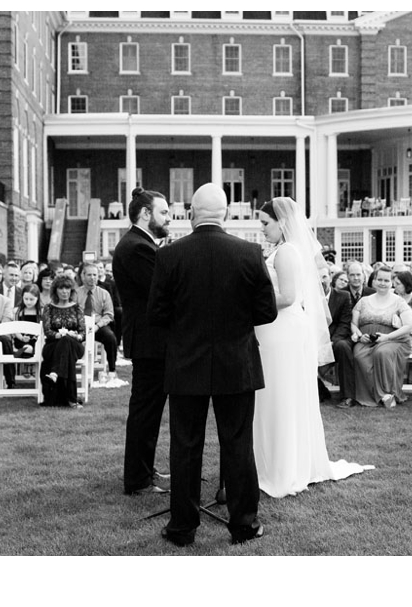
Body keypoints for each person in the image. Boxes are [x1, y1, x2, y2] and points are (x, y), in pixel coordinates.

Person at [147, 182, 277, 546]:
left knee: (185, 447)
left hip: (186, 363)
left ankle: (182, 528)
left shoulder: (170, 255)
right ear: (227, 214)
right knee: (238, 444)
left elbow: (156, 314)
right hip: (236, 364)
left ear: (191, 212)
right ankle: (244, 525)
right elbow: (266, 311)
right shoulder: (249, 252)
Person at [254, 197, 372, 498]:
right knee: (277, 397)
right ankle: (276, 462)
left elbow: (289, 297)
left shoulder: (287, 253)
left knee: (281, 397)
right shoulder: (284, 250)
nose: (262, 229)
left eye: (265, 223)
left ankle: (283, 468)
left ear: (282, 222)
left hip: (281, 331)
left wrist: (249, 301)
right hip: (277, 331)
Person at [113, 186, 172, 495]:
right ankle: (137, 480)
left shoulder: (141, 244)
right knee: (145, 412)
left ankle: (146, 471)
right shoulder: (138, 247)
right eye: (163, 212)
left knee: (148, 412)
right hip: (151, 342)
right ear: (146, 214)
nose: (169, 218)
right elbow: (159, 294)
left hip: (150, 341)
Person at [351, 264, 412, 408]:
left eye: (386, 280)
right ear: (373, 281)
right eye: (379, 279)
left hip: (393, 339)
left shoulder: (399, 302)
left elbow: (409, 326)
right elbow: (353, 324)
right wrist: (360, 336)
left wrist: (387, 337)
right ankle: (372, 394)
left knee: (382, 353)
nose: (382, 283)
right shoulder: (363, 301)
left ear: (391, 282)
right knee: (358, 356)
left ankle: (387, 394)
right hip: (367, 339)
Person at [40, 276, 85, 407]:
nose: (65, 291)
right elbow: (48, 331)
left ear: (71, 291)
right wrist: (60, 335)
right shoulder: (48, 308)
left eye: (67, 288)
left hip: (75, 344)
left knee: (67, 342)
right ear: (55, 290)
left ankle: (55, 372)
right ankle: (71, 399)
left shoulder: (77, 308)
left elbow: (83, 333)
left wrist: (76, 336)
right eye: (61, 288)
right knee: (66, 347)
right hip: (53, 344)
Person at [316, 267, 356, 409]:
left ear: (330, 278)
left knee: (342, 347)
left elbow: (345, 323)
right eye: (317, 277)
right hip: (316, 339)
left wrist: (331, 341)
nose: (321, 281)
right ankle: (320, 392)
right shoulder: (307, 299)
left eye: (324, 277)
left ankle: (348, 396)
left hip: (338, 338)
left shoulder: (343, 296)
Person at [76, 261, 121, 385]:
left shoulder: (104, 293)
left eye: (95, 275)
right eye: (89, 275)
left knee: (111, 338)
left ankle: (112, 370)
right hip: (81, 326)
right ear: (82, 276)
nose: (92, 278)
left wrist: (97, 325)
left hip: (98, 325)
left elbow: (109, 314)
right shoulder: (75, 293)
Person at [13, 284, 42, 358]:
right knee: (27, 348)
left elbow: (43, 329)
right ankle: (24, 351)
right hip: (21, 339)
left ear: (37, 298)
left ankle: (24, 352)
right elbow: (16, 330)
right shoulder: (17, 311)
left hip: (36, 340)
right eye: (26, 299)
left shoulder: (41, 311)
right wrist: (22, 338)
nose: (28, 302)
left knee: (34, 348)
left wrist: (36, 337)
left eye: (31, 299)